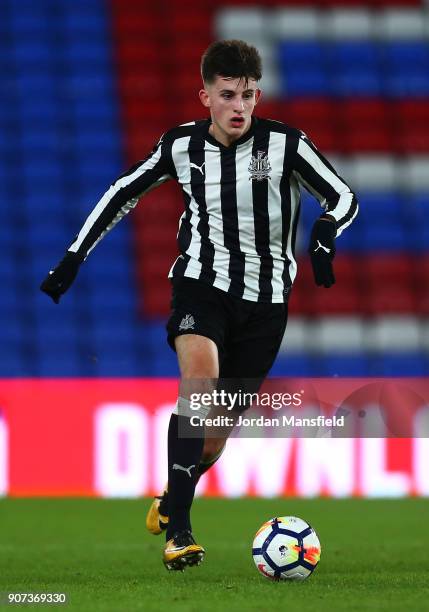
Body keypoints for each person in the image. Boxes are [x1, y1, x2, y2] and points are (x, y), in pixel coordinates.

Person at [40, 39, 358, 571]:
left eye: (249, 96)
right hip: (200, 285)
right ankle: (181, 533)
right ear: (205, 94)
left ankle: (172, 496)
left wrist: (326, 230)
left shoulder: (286, 145)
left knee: (211, 441)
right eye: (229, 94)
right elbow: (123, 192)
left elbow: (343, 195)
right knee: (199, 383)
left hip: (266, 304)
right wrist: (73, 257)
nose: (240, 107)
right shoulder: (180, 146)